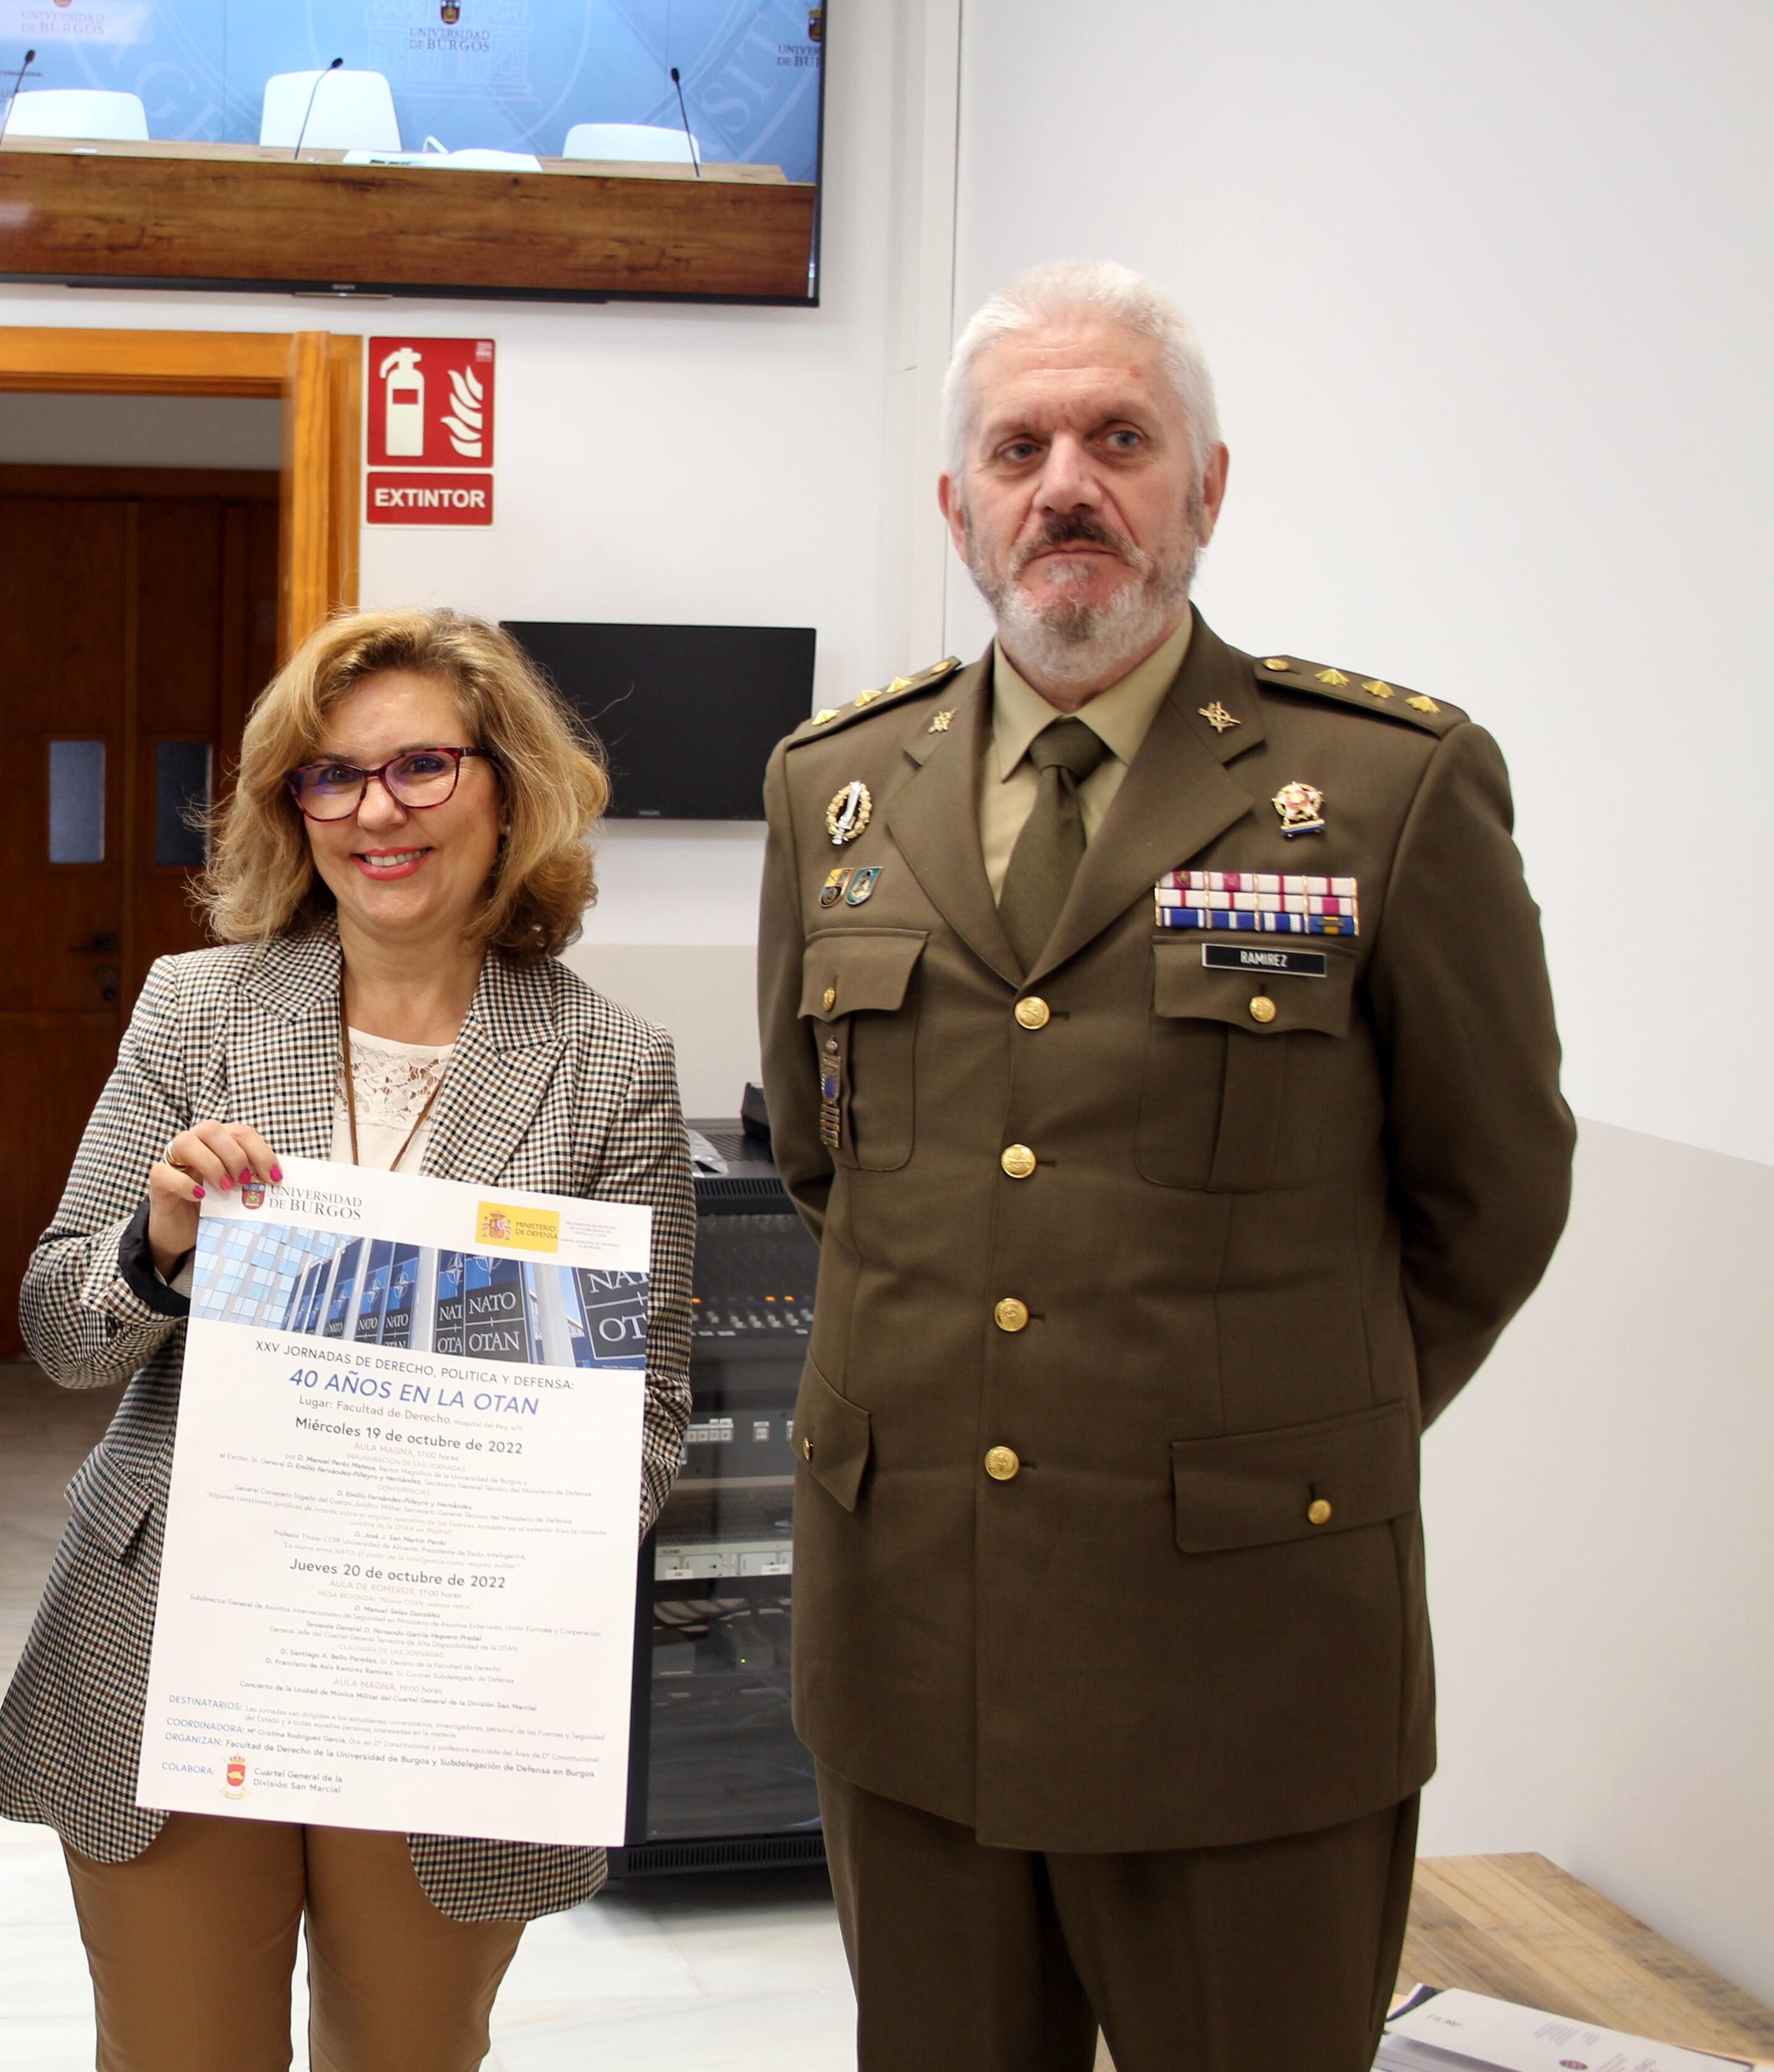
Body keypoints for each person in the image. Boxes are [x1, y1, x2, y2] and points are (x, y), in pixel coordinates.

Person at [757, 259, 1573, 2072]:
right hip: (917, 1647)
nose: (1069, 481)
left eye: (1121, 437)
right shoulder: (836, 786)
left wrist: (1278, 1430)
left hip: (1247, 1655)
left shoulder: (1380, 787)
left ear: (1205, 489)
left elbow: (1492, 1193)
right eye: (1020, 444)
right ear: (956, 505)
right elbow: (832, 1166)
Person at [0, 607, 694, 2072]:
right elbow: (59, 1328)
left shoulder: (612, 1065)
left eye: (421, 765)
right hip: (187, 1641)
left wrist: (510, 1549)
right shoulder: (199, 1008)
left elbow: (648, 1417)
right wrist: (159, 1243)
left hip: (447, 1670)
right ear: (288, 808)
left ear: (507, 785)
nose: (376, 810)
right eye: (329, 775)